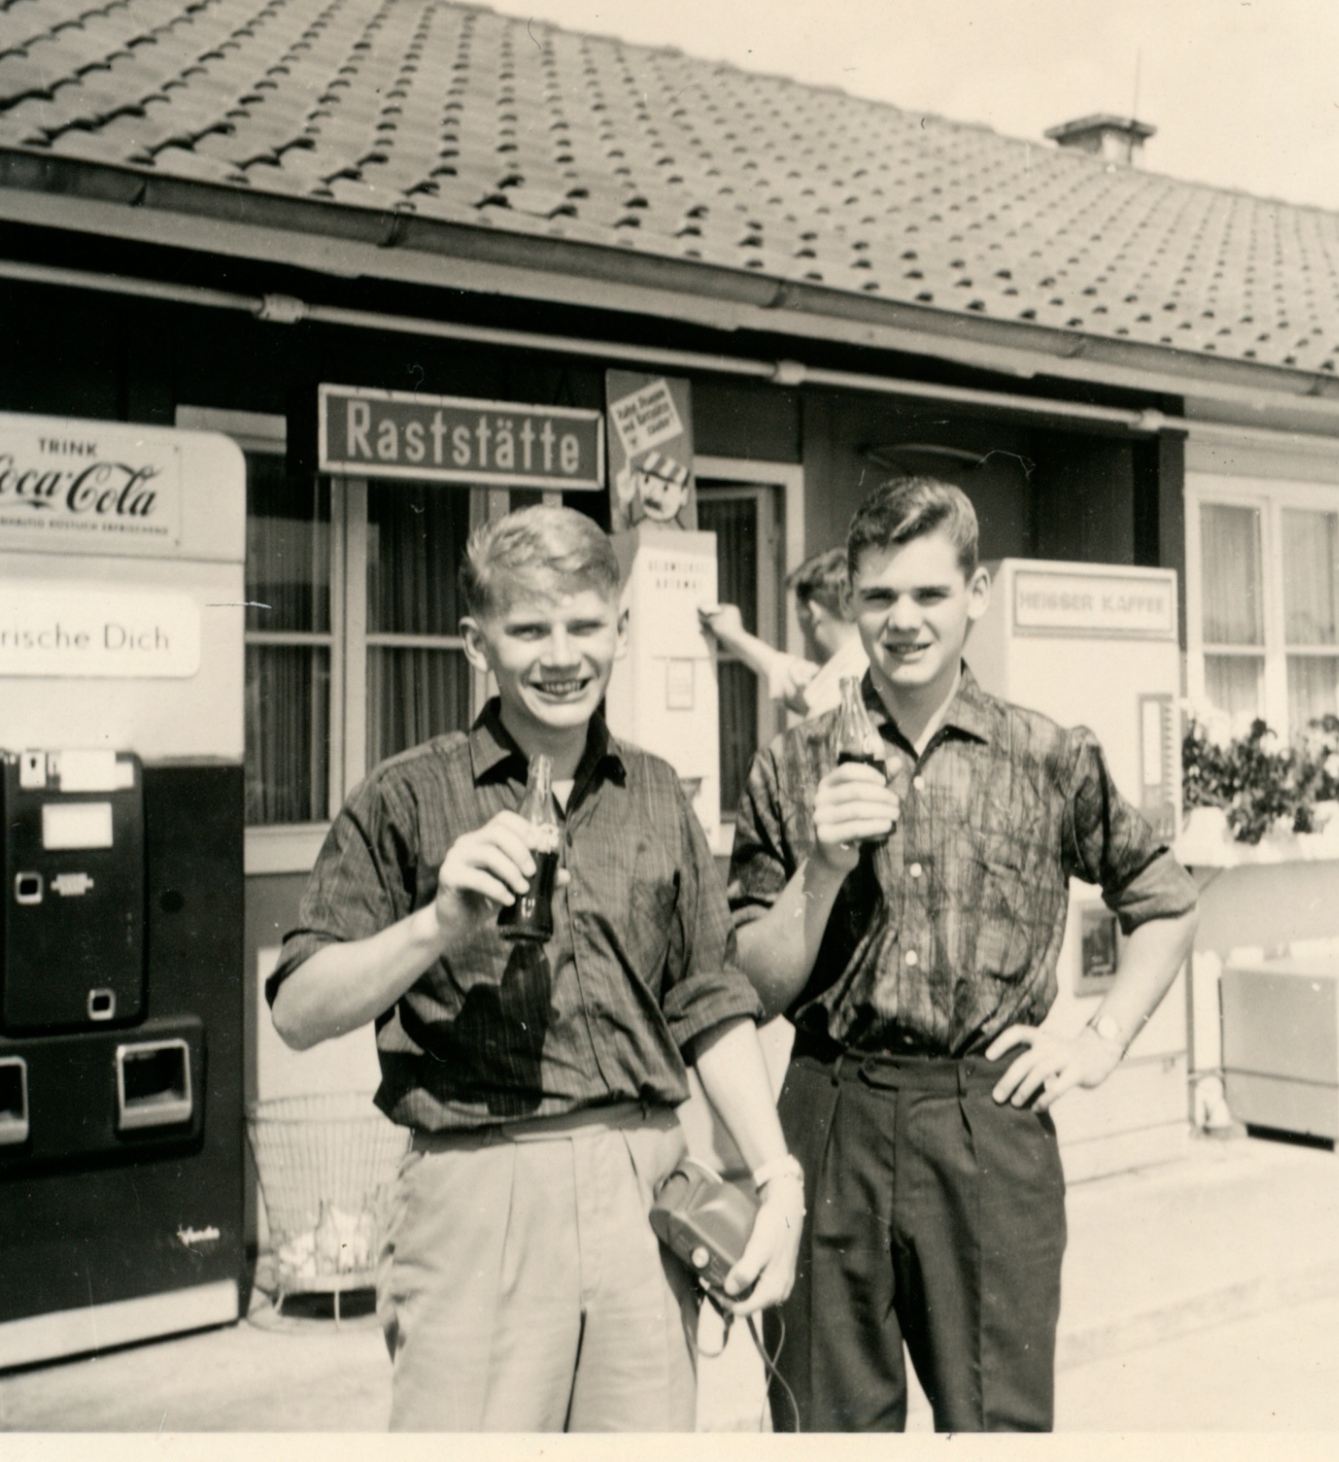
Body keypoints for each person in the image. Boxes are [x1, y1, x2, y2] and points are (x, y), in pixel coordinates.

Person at [266, 503, 802, 1433]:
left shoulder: (660, 794)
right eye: (529, 630)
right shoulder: (405, 794)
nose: (563, 655)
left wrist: (776, 1176)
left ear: (621, 630)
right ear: (478, 644)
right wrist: (435, 924)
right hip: (478, 1185)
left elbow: (712, 1005)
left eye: (586, 625)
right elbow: (299, 1011)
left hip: (645, 1185)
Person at [727, 476, 1199, 1433]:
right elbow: (751, 985)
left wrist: (1099, 1042)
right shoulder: (791, 764)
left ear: (976, 593)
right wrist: (819, 870)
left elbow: (1166, 900)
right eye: (879, 597)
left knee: (999, 1425)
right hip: (830, 1109)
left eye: (930, 594)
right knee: (824, 1424)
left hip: (987, 1120)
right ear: (850, 601)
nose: (904, 621)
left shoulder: (1048, 754)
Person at [700, 546, 868, 719]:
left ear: (812, 611)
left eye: (797, 610)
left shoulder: (841, 691)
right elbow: (791, 674)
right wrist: (735, 634)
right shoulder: (862, 665)